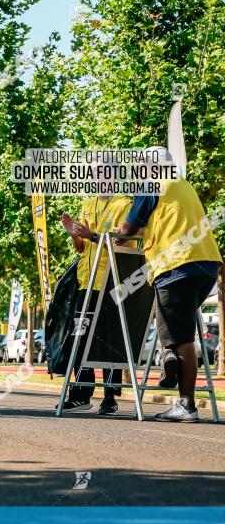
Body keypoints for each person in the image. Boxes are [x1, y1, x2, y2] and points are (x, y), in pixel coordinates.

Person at [115, 147, 223, 422]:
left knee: (180, 338)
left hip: (176, 267)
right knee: (177, 328)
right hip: (206, 264)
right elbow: (157, 226)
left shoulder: (153, 183)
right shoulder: (182, 186)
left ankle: (186, 404)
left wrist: (118, 233)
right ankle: (168, 358)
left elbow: (128, 229)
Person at [60, 193, 135, 415]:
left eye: (103, 173)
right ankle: (80, 395)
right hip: (85, 281)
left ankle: (110, 397)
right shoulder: (87, 204)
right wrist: (74, 235)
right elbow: (81, 248)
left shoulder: (125, 204)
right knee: (79, 337)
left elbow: (124, 243)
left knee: (108, 339)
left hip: (110, 281)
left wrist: (92, 235)